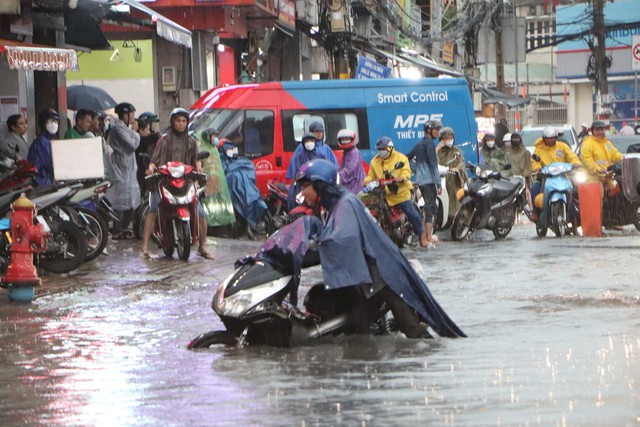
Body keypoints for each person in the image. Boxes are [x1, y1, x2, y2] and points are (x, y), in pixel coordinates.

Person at [295, 158, 466, 339]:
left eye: (305, 186)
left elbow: (339, 239)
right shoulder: (330, 207)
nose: (302, 192)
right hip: (365, 280)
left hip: (387, 276)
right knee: (356, 334)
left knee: (413, 332)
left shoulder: (346, 204)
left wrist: (307, 254)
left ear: (320, 185)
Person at [141, 107, 214, 259]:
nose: (181, 124)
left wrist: (199, 165)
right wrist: (151, 168)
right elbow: (154, 160)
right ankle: (145, 247)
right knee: (154, 207)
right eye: (178, 121)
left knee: (200, 213)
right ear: (173, 122)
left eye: (184, 121)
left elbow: (197, 159)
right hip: (164, 180)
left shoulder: (191, 141)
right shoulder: (165, 140)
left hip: (185, 182)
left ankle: (202, 246)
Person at [363, 136, 427, 247]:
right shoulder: (375, 161)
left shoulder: (401, 158)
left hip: (400, 194)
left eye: (384, 149)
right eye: (380, 150)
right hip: (382, 195)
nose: (381, 152)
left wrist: (401, 178)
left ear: (390, 148)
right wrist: (366, 181)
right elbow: (370, 176)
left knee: (413, 215)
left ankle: (422, 237)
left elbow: (406, 172)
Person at [528, 125, 582, 221]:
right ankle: (535, 212)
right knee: (535, 187)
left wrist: (575, 163)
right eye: (547, 138)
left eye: (552, 138)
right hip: (545, 177)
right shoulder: (539, 150)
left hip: (562, 176)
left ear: (556, 138)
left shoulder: (562, 146)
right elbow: (534, 161)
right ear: (543, 139)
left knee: (575, 188)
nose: (549, 140)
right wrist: (537, 168)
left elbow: (571, 156)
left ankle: (575, 213)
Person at [106, 102, 141, 240]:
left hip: (128, 171)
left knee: (130, 200)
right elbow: (133, 145)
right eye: (131, 114)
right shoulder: (118, 130)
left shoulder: (124, 128)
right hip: (120, 171)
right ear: (124, 115)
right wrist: (135, 131)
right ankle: (117, 229)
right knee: (119, 202)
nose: (133, 117)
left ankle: (124, 228)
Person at [218, 138, 268, 231]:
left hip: (248, 190)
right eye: (229, 150)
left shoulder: (240, 161)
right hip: (236, 190)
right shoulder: (222, 161)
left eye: (232, 149)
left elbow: (249, 169)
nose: (232, 152)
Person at [407, 120, 442, 246]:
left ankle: (427, 235)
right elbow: (434, 166)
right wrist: (438, 183)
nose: (438, 132)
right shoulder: (430, 145)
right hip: (429, 181)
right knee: (430, 208)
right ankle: (428, 237)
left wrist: (416, 170)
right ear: (429, 130)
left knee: (428, 207)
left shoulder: (419, 144)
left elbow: (407, 158)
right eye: (436, 130)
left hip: (421, 181)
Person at [197, 128, 235, 228]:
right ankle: (210, 225)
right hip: (207, 181)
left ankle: (218, 224)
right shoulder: (202, 149)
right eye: (214, 136)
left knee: (217, 204)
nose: (216, 138)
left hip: (216, 181)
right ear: (207, 137)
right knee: (208, 204)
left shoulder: (213, 149)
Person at [285, 121, 338, 188]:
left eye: (321, 131)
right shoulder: (302, 148)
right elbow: (295, 164)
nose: (319, 134)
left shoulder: (326, 148)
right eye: (316, 132)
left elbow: (333, 164)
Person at [435, 126, 467, 229]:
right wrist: (438, 147)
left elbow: (461, 162)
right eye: (447, 138)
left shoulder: (456, 151)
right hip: (442, 179)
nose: (450, 140)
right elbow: (434, 161)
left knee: (454, 201)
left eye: (451, 137)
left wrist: (456, 169)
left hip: (453, 180)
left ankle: (455, 220)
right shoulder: (439, 151)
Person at [287, 132, 326, 210]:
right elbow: (300, 171)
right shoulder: (300, 156)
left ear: (315, 142)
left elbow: (324, 168)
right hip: (305, 184)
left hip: (318, 184)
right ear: (303, 143)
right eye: (307, 141)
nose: (309, 143)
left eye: (311, 141)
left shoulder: (320, 155)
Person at [27, 108, 60, 186]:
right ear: (43, 123)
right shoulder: (42, 142)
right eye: (51, 121)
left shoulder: (48, 140)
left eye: (56, 122)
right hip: (42, 183)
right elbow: (50, 164)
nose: (54, 125)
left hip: (47, 181)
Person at [504, 132, 533, 207]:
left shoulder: (526, 153)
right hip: (509, 178)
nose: (515, 140)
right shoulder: (507, 152)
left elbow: (528, 168)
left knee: (527, 195)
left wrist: (523, 177)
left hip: (522, 178)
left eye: (517, 138)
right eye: (513, 139)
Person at [336, 128, 366, 195]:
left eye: (347, 139)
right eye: (343, 139)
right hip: (349, 184)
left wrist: (337, 177)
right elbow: (342, 167)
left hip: (355, 184)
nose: (345, 141)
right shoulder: (346, 152)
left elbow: (349, 170)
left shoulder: (354, 152)